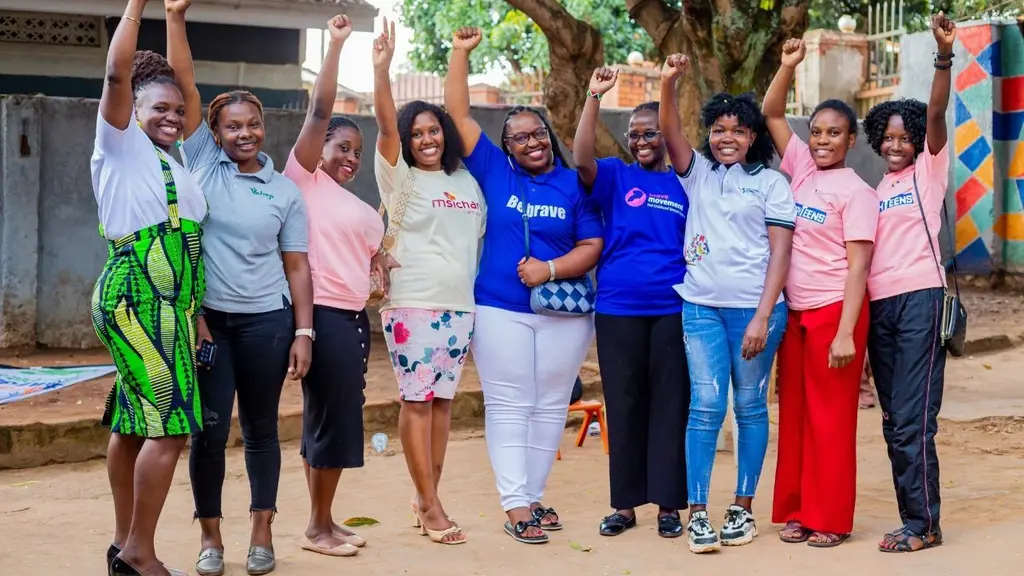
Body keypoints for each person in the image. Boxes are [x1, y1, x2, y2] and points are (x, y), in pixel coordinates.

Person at [166, 2, 314, 574]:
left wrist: (303, 331)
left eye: (253, 124)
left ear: (263, 128)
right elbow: (186, 83)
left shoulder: (283, 192)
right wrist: (176, 17)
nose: (244, 133)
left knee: (259, 429)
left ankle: (261, 530)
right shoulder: (202, 163)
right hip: (208, 322)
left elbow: (297, 267)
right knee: (207, 430)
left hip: (266, 324)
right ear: (215, 132)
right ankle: (210, 538)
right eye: (233, 126)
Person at [444, 27, 603, 545]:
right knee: (511, 402)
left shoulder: (572, 183)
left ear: (548, 137)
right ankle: (514, 505)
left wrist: (550, 269)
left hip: (564, 312)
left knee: (551, 403)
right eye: (520, 137)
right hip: (500, 310)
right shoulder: (493, 171)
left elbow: (592, 245)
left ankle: (533, 497)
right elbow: (460, 116)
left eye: (538, 134)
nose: (532, 142)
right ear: (506, 147)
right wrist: (461, 54)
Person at [660, 55, 795, 554]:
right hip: (700, 308)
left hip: (757, 313)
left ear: (753, 136)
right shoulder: (696, 173)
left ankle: (742, 507)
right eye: (719, 130)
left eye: (738, 131)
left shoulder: (772, 184)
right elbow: (671, 130)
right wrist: (669, 82)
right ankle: (699, 513)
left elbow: (781, 253)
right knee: (707, 406)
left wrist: (763, 315)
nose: (727, 138)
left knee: (750, 405)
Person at [92, 2, 206, 574]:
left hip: (169, 307)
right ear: (131, 110)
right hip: (138, 298)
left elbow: (186, 85)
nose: (172, 115)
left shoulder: (178, 161)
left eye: (179, 110)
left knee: (136, 422)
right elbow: (117, 74)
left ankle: (122, 544)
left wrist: (177, 18)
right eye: (159, 107)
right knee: (172, 425)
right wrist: (137, 7)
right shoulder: (119, 145)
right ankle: (138, 552)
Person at [763, 38, 879, 548]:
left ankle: (829, 518)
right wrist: (788, 66)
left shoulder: (857, 192)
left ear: (851, 140)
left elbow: (859, 269)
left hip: (836, 312)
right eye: (817, 133)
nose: (823, 141)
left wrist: (848, 333)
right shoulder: (804, 172)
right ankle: (797, 509)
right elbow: (770, 111)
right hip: (797, 313)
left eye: (835, 134)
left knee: (831, 421)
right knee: (796, 416)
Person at [372, 18, 484, 546]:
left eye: (432, 130)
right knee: (416, 401)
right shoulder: (402, 178)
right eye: (416, 134)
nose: (425, 139)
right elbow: (386, 126)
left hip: (459, 307)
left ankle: (426, 498)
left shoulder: (465, 179)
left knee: (441, 405)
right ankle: (432, 503)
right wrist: (381, 68)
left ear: (444, 131)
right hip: (413, 304)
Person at [278, 15, 385, 558]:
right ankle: (317, 529)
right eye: (341, 146)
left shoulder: (360, 208)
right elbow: (320, 108)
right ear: (320, 148)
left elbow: (373, 263)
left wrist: (380, 273)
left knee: (324, 422)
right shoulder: (302, 180)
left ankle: (323, 517)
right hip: (319, 317)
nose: (348, 157)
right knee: (333, 424)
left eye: (356, 153)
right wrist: (338, 45)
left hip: (352, 318)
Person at [573, 67, 691, 539]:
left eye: (651, 133)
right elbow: (581, 156)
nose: (642, 140)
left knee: (669, 403)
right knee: (623, 404)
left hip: (673, 307)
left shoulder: (687, 180)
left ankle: (668, 505)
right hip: (619, 308)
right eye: (635, 134)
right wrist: (593, 96)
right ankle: (624, 505)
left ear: (667, 136)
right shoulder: (615, 176)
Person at [862, 13, 957, 553]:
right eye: (890, 137)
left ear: (920, 139)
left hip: (921, 299)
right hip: (882, 307)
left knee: (915, 418)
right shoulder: (877, 189)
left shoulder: (929, 171)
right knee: (895, 417)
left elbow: (939, 108)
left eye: (907, 136)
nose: (898, 144)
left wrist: (944, 55)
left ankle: (924, 525)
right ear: (879, 140)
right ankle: (914, 518)